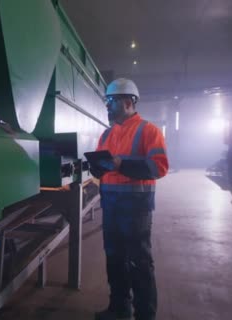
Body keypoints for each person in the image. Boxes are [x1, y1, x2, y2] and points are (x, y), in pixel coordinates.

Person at [90, 78, 169, 320]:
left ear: (127, 102)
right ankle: (119, 309)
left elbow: (159, 167)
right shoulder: (106, 134)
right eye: (106, 101)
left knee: (139, 262)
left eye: (110, 101)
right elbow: (102, 171)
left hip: (136, 208)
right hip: (112, 205)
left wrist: (121, 164)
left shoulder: (149, 131)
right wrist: (96, 168)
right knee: (114, 258)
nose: (107, 106)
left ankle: (145, 315)